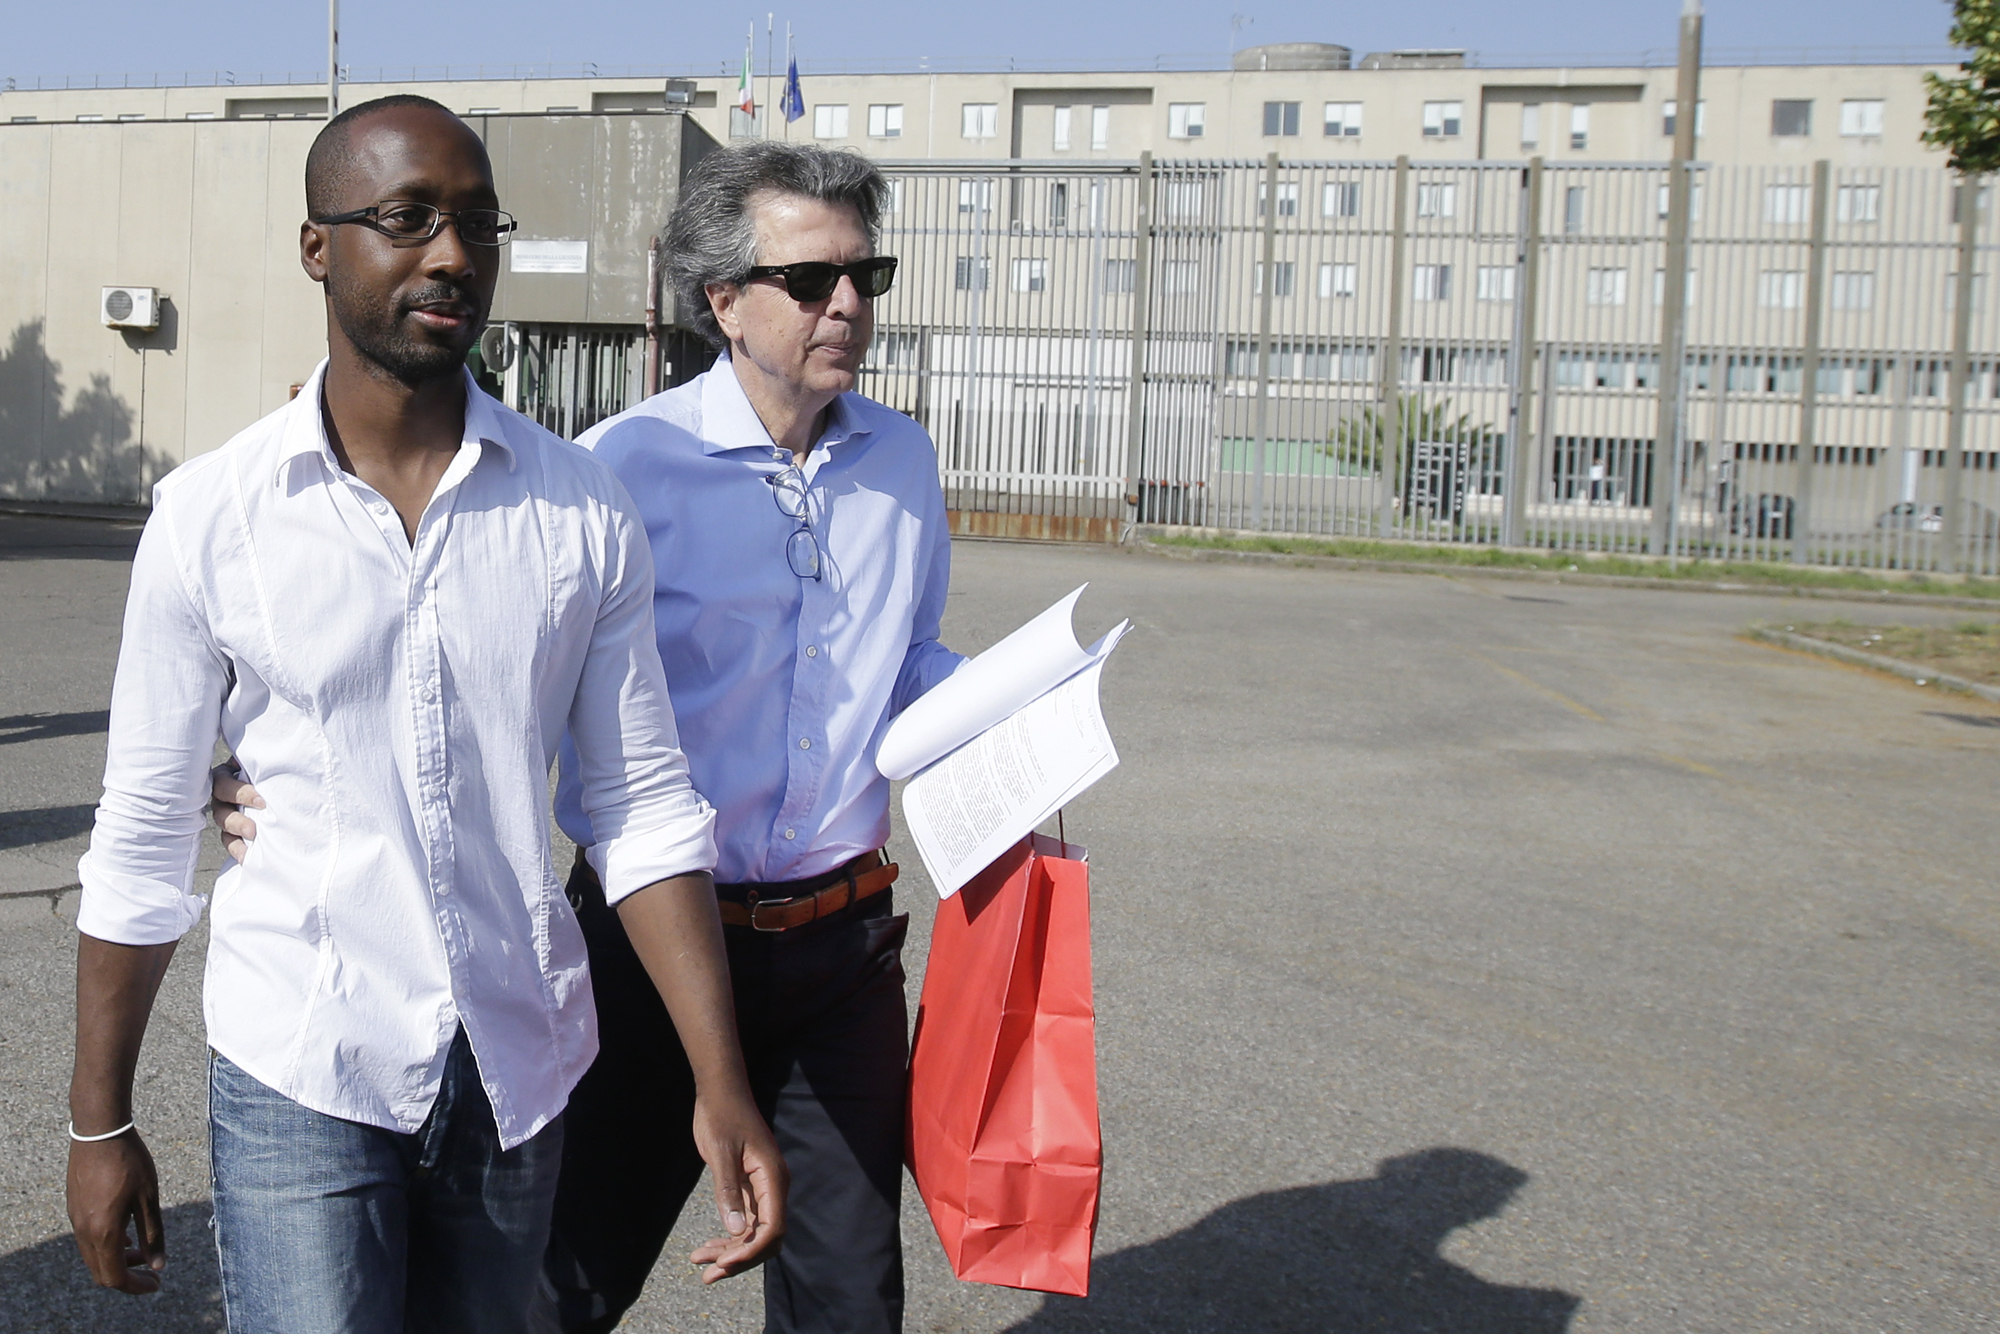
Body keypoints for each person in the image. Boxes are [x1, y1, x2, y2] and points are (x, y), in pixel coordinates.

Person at [73, 94, 783, 1331]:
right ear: (318, 247)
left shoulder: (579, 510)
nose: (451, 254)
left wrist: (717, 1078)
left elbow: (641, 805)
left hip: (516, 1062)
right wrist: (100, 1119)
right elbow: (138, 840)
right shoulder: (212, 518)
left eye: (474, 223)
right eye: (405, 218)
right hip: (304, 1056)